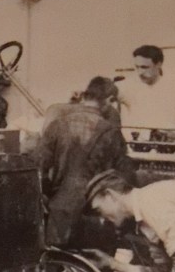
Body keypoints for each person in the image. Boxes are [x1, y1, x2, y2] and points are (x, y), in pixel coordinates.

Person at [38, 77, 135, 247]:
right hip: (95, 214)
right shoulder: (110, 132)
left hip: (59, 210)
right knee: (93, 260)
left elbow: (39, 168)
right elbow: (124, 177)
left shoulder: (57, 124)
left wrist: (52, 195)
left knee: (58, 259)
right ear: (109, 100)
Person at [118, 45, 175, 130]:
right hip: (136, 138)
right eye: (137, 67)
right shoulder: (126, 86)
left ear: (158, 64)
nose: (140, 72)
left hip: (166, 138)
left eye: (144, 67)